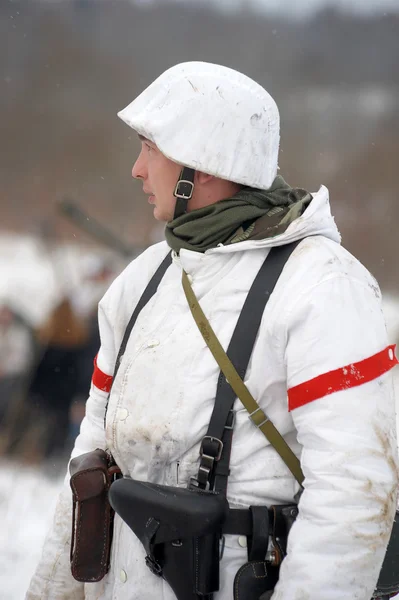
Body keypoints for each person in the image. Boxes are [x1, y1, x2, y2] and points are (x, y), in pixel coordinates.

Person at [26, 62, 398, 600]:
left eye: (149, 148)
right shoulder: (144, 279)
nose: (135, 169)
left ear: (201, 165)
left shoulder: (322, 284)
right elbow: (91, 464)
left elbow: (354, 496)